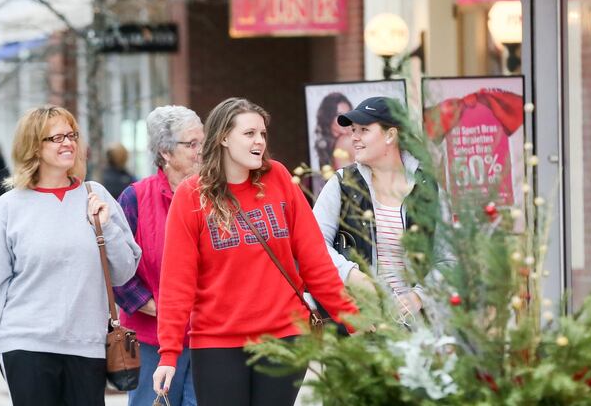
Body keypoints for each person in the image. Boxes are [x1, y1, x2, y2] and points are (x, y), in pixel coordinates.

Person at [152, 98, 358, 406]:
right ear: (223, 137)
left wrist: (351, 319)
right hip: (217, 343)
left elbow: (316, 263)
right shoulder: (191, 195)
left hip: (284, 337)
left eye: (262, 134)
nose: (259, 141)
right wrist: (169, 352)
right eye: (249, 134)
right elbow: (177, 282)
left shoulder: (278, 179)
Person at [0, 105, 141, 405]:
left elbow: (124, 272)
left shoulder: (95, 195)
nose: (68, 143)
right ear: (34, 147)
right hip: (26, 343)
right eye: (56, 137)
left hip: (87, 346)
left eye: (72, 135)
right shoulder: (8, 208)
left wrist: (107, 225)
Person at [313, 97, 451, 326]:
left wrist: (419, 296)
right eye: (353, 130)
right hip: (358, 326)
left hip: (417, 331)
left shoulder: (428, 188)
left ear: (390, 135)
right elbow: (313, 243)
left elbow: (448, 259)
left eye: (364, 130)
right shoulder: (342, 184)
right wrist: (350, 274)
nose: (354, 137)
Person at [113, 105, 204, 406]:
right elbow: (118, 273)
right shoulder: (135, 198)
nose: (201, 151)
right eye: (192, 144)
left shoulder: (216, 196)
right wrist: (165, 311)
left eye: (203, 142)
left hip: (208, 338)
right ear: (165, 152)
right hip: (151, 340)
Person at [314, 92, 354, 169]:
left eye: (348, 114)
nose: (345, 119)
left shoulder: (346, 140)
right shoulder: (343, 141)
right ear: (328, 117)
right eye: (339, 115)